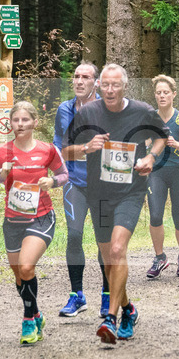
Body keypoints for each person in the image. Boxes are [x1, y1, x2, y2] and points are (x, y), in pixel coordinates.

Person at [65, 63, 168, 344]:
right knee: (110, 261)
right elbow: (65, 150)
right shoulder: (87, 113)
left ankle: (110, 320)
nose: (110, 90)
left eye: (116, 85)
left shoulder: (142, 111)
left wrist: (150, 158)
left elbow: (162, 138)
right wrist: (87, 147)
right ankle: (128, 309)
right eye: (106, 85)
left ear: (125, 87)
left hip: (131, 192)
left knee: (118, 249)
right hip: (99, 194)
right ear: (99, 87)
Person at [0, 101, 68, 345]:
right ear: (10, 124)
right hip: (13, 220)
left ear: (35, 123)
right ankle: (36, 313)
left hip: (41, 217)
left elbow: (64, 174)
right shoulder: (2, 151)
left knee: (26, 267)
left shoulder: (48, 149)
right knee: (19, 274)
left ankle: (27, 321)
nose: (20, 125)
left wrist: (53, 182)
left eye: (25, 120)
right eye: (16, 120)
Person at [53, 62, 111, 317]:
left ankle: (108, 297)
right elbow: (60, 150)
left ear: (96, 83)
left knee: (105, 242)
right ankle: (77, 296)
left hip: (104, 185)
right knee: (74, 236)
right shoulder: (64, 110)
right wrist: (86, 148)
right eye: (76, 76)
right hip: (74, 182)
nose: (79, 81)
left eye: (85, 77)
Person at [145, 75, 179, 279]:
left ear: (174, 94)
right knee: (155, 215)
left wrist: (178, 145)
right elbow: (142, 143)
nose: (162, 95)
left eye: (166, 92)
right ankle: (160, 258)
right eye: (158, 92)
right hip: (156, 173)